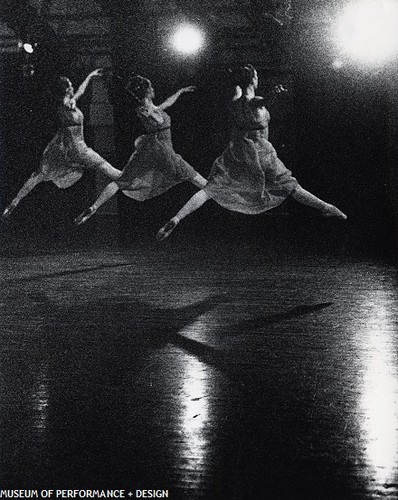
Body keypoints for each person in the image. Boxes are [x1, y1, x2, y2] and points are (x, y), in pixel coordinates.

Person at [156, 64, 347, 241]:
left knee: (210, 190)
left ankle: (177, 217)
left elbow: (245, 99)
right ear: (254, 80)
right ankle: (328, 207)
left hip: (238, 152)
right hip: (261, 152)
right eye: (256, 76)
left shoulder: (234, 102)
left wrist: (246, 88)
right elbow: (258, 102)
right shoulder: (255, 102)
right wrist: (274, 95)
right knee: (291, 187)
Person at [74, 74, 206, 225]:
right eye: (151, 87)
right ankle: (177, 218)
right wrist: (153, 116)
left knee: (122, 181)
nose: (153, 89)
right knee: (195, 179)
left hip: (147, 148)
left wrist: (180, 92)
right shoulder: (146, 109)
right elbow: (159, 120)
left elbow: (166, 104)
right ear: (148, 91)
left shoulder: (145, 108)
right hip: (163, 149)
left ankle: (94, 207)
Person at [2, 68, 121, 219]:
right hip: (79, 149)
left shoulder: (66, 105)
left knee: (38, 176)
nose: (72, 87)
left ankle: (14, 202)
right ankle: (96, 206)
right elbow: (78, 94)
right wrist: (89, 78)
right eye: (70, 85)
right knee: (110, 170)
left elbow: (80, 91)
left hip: (68, 149)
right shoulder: (68, 104)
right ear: (66, 90)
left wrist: (90, 76)